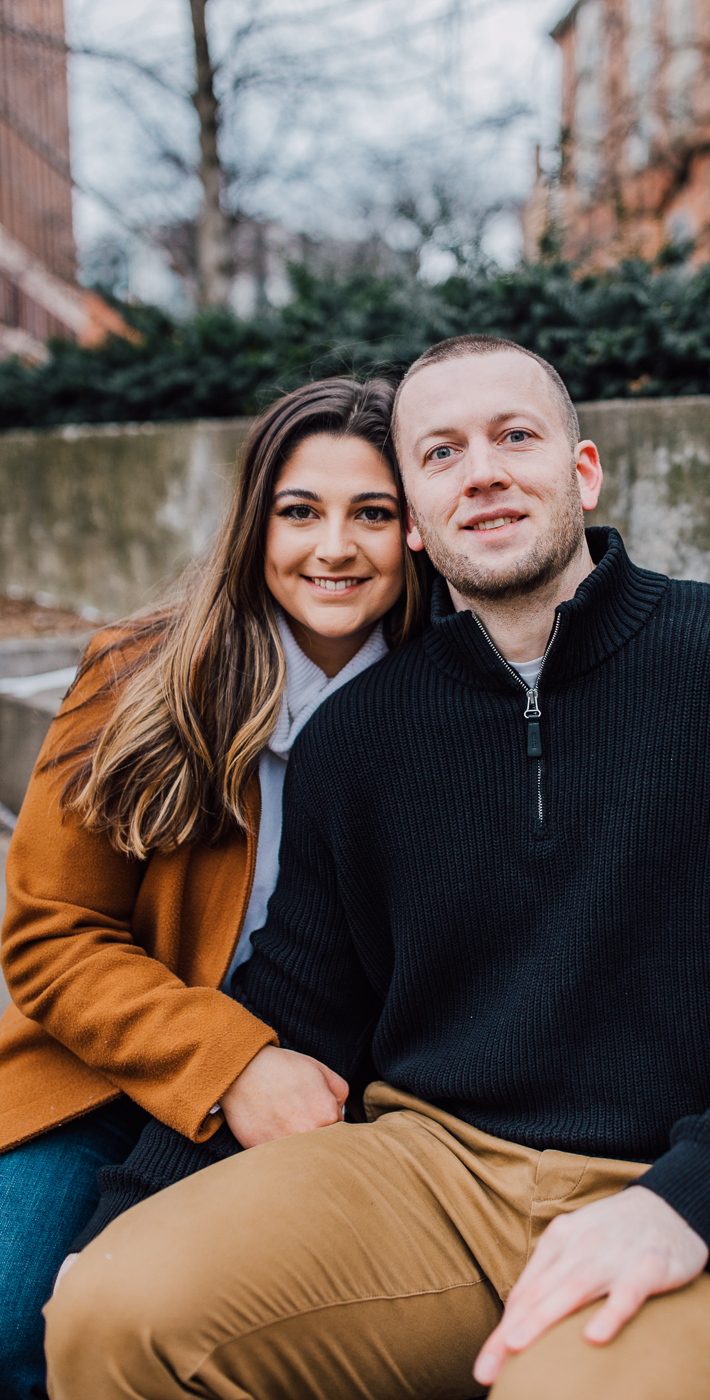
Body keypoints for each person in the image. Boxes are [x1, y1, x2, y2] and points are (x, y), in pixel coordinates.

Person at [45, 335, 710, 1400]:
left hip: (692, 1188)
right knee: (109, 1310)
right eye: (442, 451)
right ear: (416, 517)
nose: (485, 471)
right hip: (425, 1170)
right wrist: (128, 1214)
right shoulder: (361, 736)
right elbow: (300, 999)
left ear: (583, 467)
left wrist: (692, 1194)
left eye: (517, 435)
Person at [0, 376, 428, 1400]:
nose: (335, 546)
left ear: (415, 529)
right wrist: (232, 1062)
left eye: (372, 511)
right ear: (253, 523)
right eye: (299, 511)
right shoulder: (141, 674)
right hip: (117, 1068)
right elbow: (52, 935)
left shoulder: (454, 694)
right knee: (18, 1327)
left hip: (354, 1094)